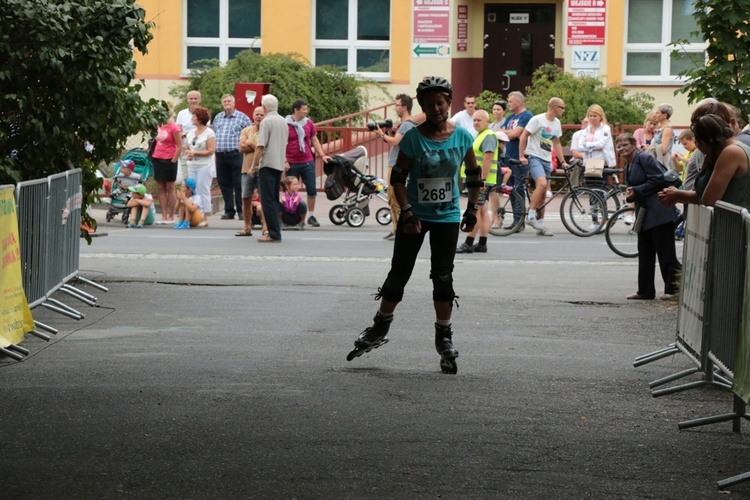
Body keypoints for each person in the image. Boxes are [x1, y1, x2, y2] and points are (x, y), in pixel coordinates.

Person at [348, 76, 481, 375]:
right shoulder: (412, 137)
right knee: (399, 274)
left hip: (447, 216)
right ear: (421, 106)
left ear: (448, 103)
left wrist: (472, 209)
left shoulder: (462, 137)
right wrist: (407, 213)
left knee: (443, 277)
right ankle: (378, 328)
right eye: (430, 104)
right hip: (416, 216)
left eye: (441, 103)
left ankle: (444, 338)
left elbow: (474, 176)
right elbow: (398, 177)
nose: (436, 109)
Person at [616, 133, 681, 300]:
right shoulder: (629, 164)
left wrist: (637, 190)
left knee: (665, 253)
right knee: (645, 252)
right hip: (645, 212)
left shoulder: (644, 158)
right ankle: (645, 290)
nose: (622, 148)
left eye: (625, 145)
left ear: (634, 145)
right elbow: (637, 186)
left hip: (659, 211)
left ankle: (674, 289)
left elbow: (658, 179)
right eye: (619, 145)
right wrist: (632, 195)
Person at [659, 113, 750, 211]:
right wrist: (677, 195)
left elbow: (708, 199)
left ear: (702, 142)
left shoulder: (731, 152)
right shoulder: (733, 149)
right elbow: (701, 194)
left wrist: (679, 195)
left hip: (733, 223)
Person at [518, 97, 569, 237]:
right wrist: (522, 156)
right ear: (555, 107)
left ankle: (540, 225)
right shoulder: (537, 120)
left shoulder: (557, 122)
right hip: (535, 157)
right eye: (562, 108)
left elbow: (556, 142)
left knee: (542, 196)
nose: (563, 110)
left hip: (547, 159)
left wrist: (563, 161)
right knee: (541, 185)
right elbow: (523, 136)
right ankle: (530, 215)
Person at [457, 110, 499, 253]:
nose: (475, 123)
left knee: (475, 210)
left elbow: (488, 159)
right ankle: (482, 243)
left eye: (479, 120)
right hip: (482, 181)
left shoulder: (488, 136)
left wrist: (481, 181)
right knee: (482, 211)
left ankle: (469, 242)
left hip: (481, 181)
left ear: (487, 122)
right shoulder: (481, 135)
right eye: (474, 120)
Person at [285, 99, 331, 227]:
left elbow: (314, 140)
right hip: (292, 161)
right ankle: (292, 215)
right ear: (296, 110)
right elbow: (281, 142)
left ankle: (311, 215)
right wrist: (284, 160)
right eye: (303, 109)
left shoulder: (308, 123)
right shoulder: (286, 123)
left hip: (307, 160)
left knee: (311, 189)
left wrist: (322, 155)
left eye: (306, 109)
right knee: (291, 190)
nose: (306, 111)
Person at [379, 93, 417, 240]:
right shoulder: (408, 125)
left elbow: (395, 142)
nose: (395, 108)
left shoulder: (407, 124)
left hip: (396, 165)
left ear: (404, 107)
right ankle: (396, 227)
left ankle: (399, 230)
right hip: (397, 164)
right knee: (392, 197)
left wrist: (381, 135)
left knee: (395, 198)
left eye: (397, 105)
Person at [251, 94, 288, 243]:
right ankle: (275, 231)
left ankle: (273, 233)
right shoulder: (283, 121)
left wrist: (254, 165)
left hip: (267, 164)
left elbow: (260, 146)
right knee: (273, 199)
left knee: (267, 201)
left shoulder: (267, 122)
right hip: (279, 163)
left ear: (264, 107)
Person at [499, 91, 534, 231]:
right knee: (511, 189)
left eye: (510, 101)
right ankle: (515, 220)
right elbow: (501, 133)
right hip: (508, 157)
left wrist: (509, 133)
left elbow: (515, 134)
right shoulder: (510, 117)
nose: (508, 104)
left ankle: (520, 221)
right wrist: (509, 133)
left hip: (519, 159)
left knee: (519, 189)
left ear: (518, 102)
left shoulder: (527, 116)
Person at [213, 94, 251, 220]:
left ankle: (241, 211)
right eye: (224, 101)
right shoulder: (218, 117)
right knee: (224, 183)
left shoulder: (242, 117)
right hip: (220, 155)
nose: (227, 103)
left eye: (229, 101)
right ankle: (229, 210)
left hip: (236, 154)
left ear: (234, 103)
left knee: (239, 183)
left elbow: (249, 134)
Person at [150, 102, 182, 224]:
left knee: (170, 188)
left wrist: (173, 161)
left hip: (169, 159)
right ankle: (163, 215)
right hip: (157, 158)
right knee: (160, 188)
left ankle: (171, 216)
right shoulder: (157, 125)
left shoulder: (174, 127)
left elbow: (179, 147)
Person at [236, 106, 265, 237]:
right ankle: (247, 227)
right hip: (246, 169)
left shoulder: (267, 130)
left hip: (263, 168)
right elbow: (241, 148)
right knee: (246, 198)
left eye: (262, 114)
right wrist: (257, 146)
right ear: (253, 116)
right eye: (257, 114)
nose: (259, 117)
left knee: (265, 199)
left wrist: (251, 144)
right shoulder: (246, 130)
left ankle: (266, 228)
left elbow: (265, 149)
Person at [184, 106, 215, 227]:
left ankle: (205, 217)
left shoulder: (209, 133)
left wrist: (196, 153)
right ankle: (195, 215)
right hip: (192, 165)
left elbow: (211, 150)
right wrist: (189, 154)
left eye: (194, 116)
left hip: (205, 166)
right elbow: (186, 149)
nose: (192, 118)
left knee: (203, 190)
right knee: (193, 190)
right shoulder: (190, 133)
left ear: (200, 119)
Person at [175, 90, 203, 181]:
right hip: (184, 150)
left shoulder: (204, 113)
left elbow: (204, 131)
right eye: (191, 98)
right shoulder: (182, 114)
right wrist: (184, 134)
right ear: (187, 100)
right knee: (186, 177)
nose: (193, 101)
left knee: (199, 178)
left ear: (199, 100)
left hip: (199, 150)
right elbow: (177, 131)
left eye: (195, 98)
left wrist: (188, 134)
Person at [649, 103, 674, 169]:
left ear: (664, 115)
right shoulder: (660, 129)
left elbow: (663, 150)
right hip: (656, 162)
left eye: (657, 113)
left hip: (663, 164)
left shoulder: (667, 129)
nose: (654, 115)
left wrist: (650, 147)